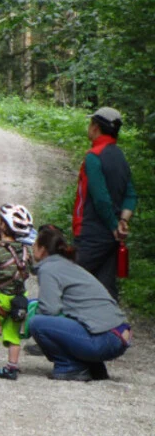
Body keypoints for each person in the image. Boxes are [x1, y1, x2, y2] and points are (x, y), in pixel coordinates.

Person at [29, 224, 132, 381]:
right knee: (64, 317)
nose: (32, 247)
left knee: (37, 323)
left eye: (35, 244)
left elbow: (49, 310)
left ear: (42, 249)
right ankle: (94, 367)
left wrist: (25, 315)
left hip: (105, 339)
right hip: (118, 335)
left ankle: (70, 367)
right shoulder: (69, 266)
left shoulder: (48, 268)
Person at [73, 107, 138, 299]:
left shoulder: (94, 157)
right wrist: (122, 222)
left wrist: (112, 226)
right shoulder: (120, 157)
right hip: (112, 239)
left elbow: (100, 198)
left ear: (95, 127)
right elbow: (131, 195)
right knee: (105, 291)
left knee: (69, 281)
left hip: (91, 234)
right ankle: (115, 328)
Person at [0, 204, 35, 381]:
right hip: (19, 299)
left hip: (0, 298)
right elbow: (30, 271)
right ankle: (11, 367)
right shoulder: (26, 251)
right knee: (13, 333)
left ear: (3, 226)